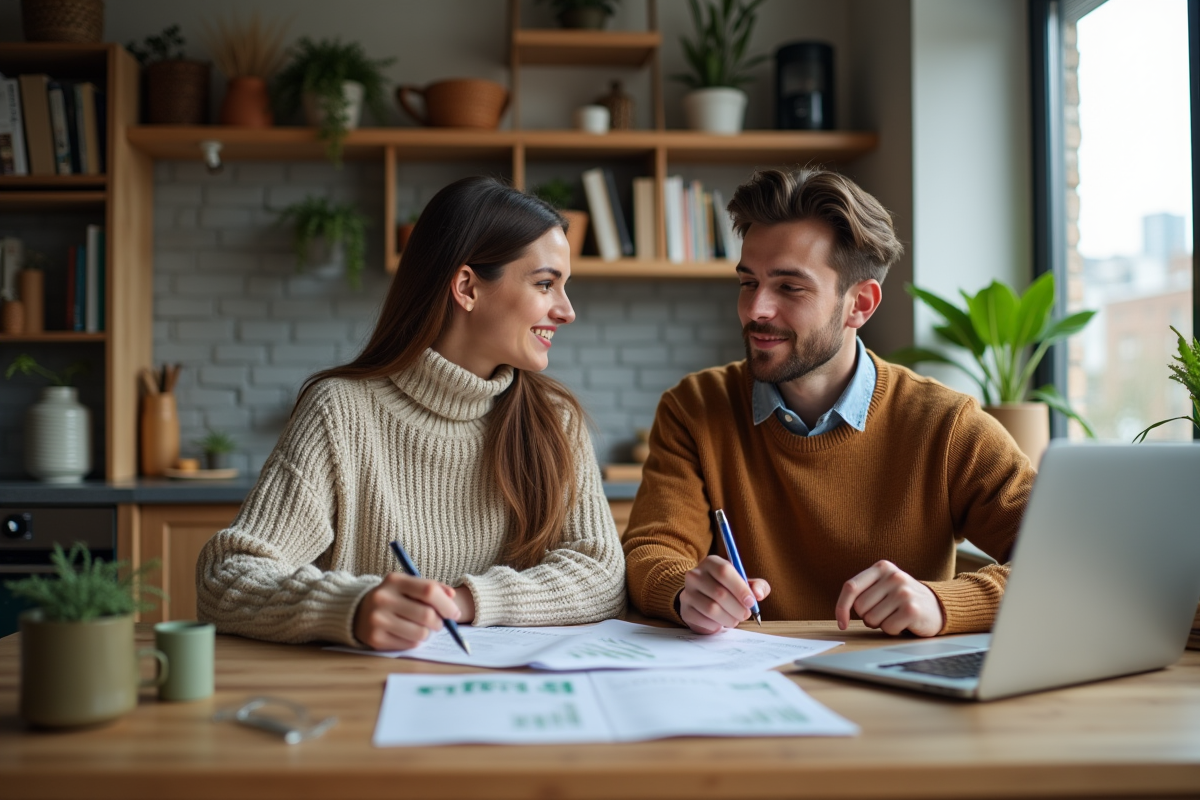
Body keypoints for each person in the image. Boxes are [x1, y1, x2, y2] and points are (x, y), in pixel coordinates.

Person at [197, 176, 625, 650]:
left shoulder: (554, 420)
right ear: (467, 287)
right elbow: (226, 576)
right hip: (367, 690)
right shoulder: (340, 412)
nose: (566, 311)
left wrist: (465, 602)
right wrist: (351, 606)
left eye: (563, 287)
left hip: (507, 689)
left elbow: (603, 574)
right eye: (546, 284)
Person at [623, 167, 1035, 638]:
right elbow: (651, 551)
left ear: (860, 304)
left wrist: (942, 604)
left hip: (892, 681)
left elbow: (1068, 557)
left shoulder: (947, 425)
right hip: (751, 675)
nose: (756, 309)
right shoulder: (694, 408)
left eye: (789, 287)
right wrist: (684, 590)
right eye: (748, 283)